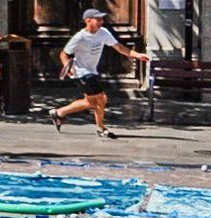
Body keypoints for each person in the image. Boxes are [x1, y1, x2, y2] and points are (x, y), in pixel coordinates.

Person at [50, 8, 148, 139]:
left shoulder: (104, 33)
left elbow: (119, 47)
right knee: (102, 98)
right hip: (81, 73)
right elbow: (64, 54)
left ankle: (59, 112)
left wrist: (136, 55)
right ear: (88, 20)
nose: (101, 21)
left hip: (92, 71)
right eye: (98, 19)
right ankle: (101, 128)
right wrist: (67, 67)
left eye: (102, 19)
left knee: (90, 102)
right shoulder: (80, 37)